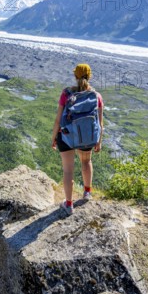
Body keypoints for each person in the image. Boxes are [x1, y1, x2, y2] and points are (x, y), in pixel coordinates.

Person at [51, 63, 104, 215]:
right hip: (86, 136)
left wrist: (54, 137)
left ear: (75, 76)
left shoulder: (66, 93)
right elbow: (99, 123)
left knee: (68, 170)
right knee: (86, 161)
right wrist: (98, 141)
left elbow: (57, 120)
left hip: (66, 136)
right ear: (90, 76)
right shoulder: (96, 96)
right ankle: (87, 193)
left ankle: (68, 204)